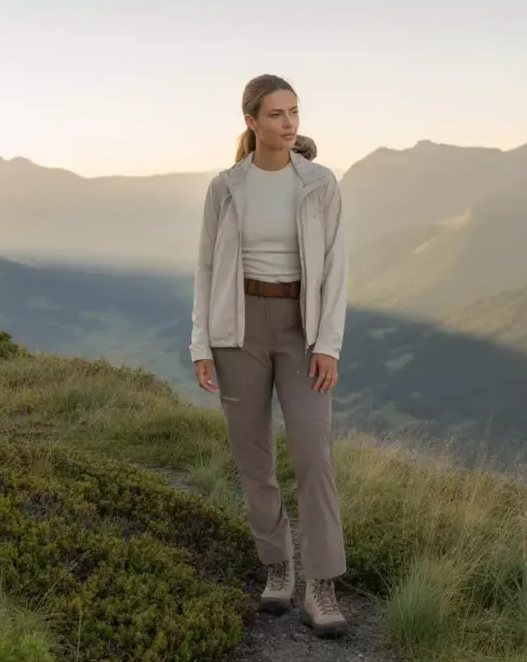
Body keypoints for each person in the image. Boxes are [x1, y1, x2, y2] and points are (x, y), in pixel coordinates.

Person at [189, 74, 349, 638]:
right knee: (253, 458)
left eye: (294, 112)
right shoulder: (226, 188)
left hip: (301, 329)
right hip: (238, 330)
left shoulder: (320, 184)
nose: (289, 123)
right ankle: (278, 566)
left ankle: (322, 585)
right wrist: (201, 344)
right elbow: (206, 269)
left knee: (313, 454)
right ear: (251, 122)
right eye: (276, 114)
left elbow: (336, 270)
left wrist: (327, 345)